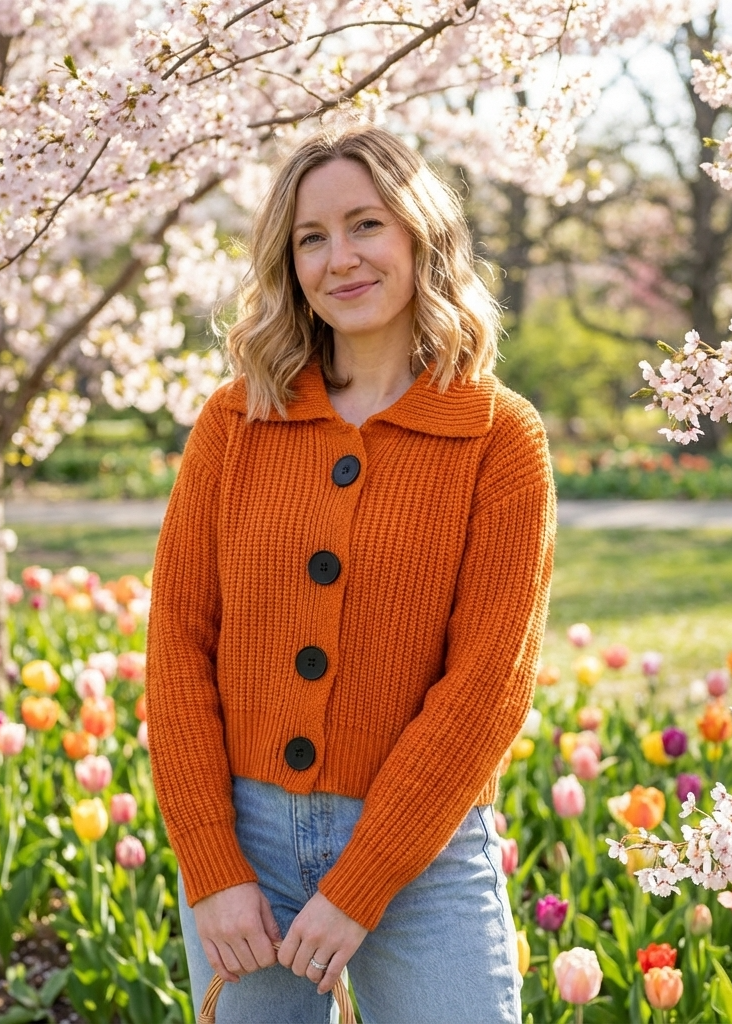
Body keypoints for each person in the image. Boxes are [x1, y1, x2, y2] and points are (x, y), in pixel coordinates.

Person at [146, 120, 556, 1024]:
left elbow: (488, 684)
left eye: (366, 224)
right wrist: (212, 868)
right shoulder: (233, 425)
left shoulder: (499, 439)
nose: (342, 258)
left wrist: (362, 881)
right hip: (243, 848)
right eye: (311, 238)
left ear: (420, 235)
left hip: (422, 849)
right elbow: (176, 646)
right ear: (288, 263)